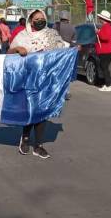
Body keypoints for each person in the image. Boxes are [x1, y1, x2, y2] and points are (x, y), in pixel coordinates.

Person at [8, 9, 68, 159]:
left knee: (43, 111)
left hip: (47, 78)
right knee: (30, 109)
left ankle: (39, 145)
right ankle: (25, 138)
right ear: (31, 20)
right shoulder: (23, 36)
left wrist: (73, 50)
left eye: (42, 18)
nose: (40, 20)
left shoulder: (52, 34)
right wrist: (17, 49)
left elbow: (62, 52)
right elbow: (9, 54)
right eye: (37, 18)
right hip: (28, 78)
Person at [95, 10, 111, 92]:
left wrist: (98, 32)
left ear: (103, 19)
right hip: (105, 50)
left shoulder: (107, 26)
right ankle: (108, 84)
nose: (99, 18)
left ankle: (108, 85)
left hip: (106, 51)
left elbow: (105, 37)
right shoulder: (106, 26)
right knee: (104, 68)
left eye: (100, 17)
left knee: (104, 68)